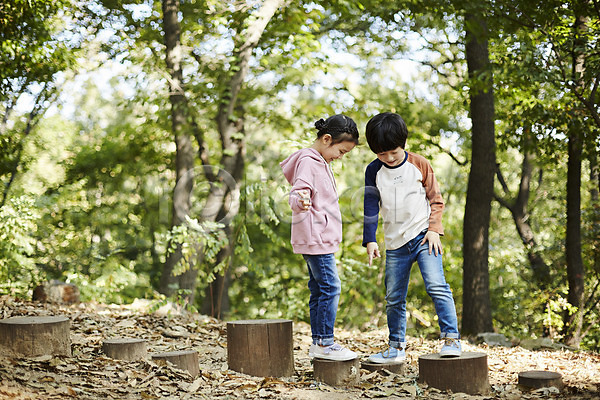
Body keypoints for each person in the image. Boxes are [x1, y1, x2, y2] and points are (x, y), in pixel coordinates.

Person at [362, 112, 461, 363]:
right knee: (394, 297)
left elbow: (436, 199)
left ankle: (451, 339)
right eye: (382, 154)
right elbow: (370, 206)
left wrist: (434, 229)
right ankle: (395, 348)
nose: (389, 158)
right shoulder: (373, 171)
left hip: (424, 238)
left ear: (403, 143)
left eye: (393, 152)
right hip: (395, 244)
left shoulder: (420, 163)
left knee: (437, 286)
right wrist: (370, 239)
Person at [280, 114, 359, 361]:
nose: (340, 156)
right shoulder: (309, 161)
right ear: (327, 139)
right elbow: (298, 192)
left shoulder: (320, 161)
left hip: (319, 236)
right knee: (331, 287)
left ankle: (318, 342)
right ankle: (325, 343)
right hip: (316, 237)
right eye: (341, 151)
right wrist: (299, 201)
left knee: (318, 289)